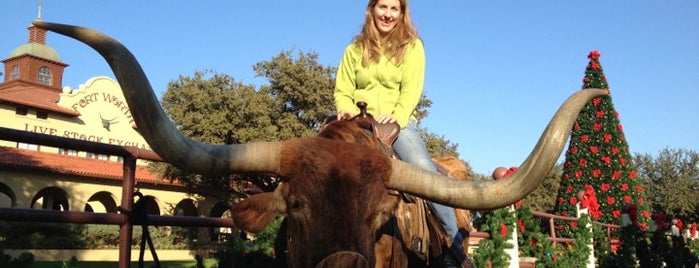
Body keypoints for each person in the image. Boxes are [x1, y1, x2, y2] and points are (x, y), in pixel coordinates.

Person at [333, 0, 470, 266]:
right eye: (382, 7)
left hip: (397, 123)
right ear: (372, 9)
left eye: (394, 9)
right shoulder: (355, 49)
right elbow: (343, 89)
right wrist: (346, 109)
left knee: (423, 170)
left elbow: (411, 90)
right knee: (317, 164)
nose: (387, 14)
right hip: (358, 123)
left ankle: (454, 249)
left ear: (402, 13)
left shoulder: (412, 46)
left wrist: (397, 115)